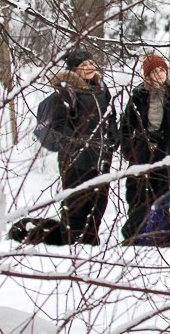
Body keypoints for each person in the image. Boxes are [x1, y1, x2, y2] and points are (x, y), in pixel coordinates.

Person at [35, 47, 115, 244]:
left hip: (101, 158)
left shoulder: (101, 90)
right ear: (73, 70)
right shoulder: (67, 93)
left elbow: (111, 118)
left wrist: (113, 138)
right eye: (83, 65)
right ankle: (71, 243)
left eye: (91, 62)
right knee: (76, 205)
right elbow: (59, 127)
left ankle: (90, 243)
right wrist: (78, 145)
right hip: (75, 161)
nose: (89, 67)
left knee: (98, 204)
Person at [116, 52, 170, 242]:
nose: (159, 74)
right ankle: (137, 238)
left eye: (162, 70)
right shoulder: (138, 96)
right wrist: (130, 152)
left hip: (168, 155)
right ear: (147, 75)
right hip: (142, 155)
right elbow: (125, 127)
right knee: (138, 198)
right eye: (154, 71)